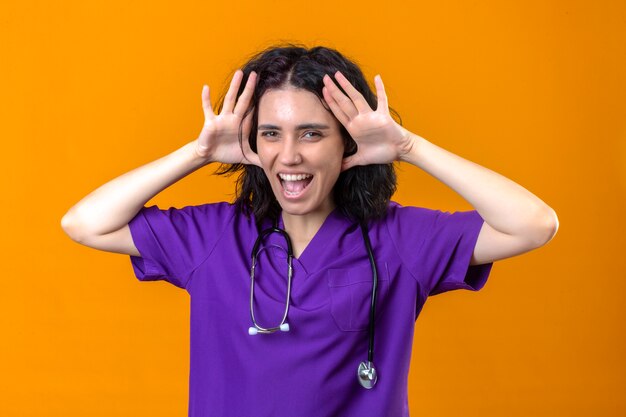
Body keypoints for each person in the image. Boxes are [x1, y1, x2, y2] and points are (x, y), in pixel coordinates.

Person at [61, 44, 558, 417]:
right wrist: (198, 153)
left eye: (312, 133)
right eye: (270, 134)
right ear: (251, 145)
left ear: (348, 142)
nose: (290, 155)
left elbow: (533, 224)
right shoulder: (215, 236)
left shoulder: (398, 239)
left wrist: (409, 146)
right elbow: (84, 222)